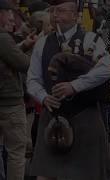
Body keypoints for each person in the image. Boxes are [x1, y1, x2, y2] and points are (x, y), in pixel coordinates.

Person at [26, 0, 108, 179]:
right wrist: (43, 97)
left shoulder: (91, 39)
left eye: (62, 11)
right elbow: (32, 79)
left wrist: (74, 86)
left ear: (76, 16)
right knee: (44, 175)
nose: (56, 16)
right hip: (51, 118)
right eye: (54, 11)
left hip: (84, 117)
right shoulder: (42, 43)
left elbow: (105, 69)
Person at [0, 0, 36, 179]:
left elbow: (7, 57)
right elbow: (23, 64)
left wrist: (23, 46)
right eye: (10, 15)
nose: (13, 20)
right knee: (16, 152)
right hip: (9, 103)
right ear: (1, 14)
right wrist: (34, 54)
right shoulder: (2, 37)